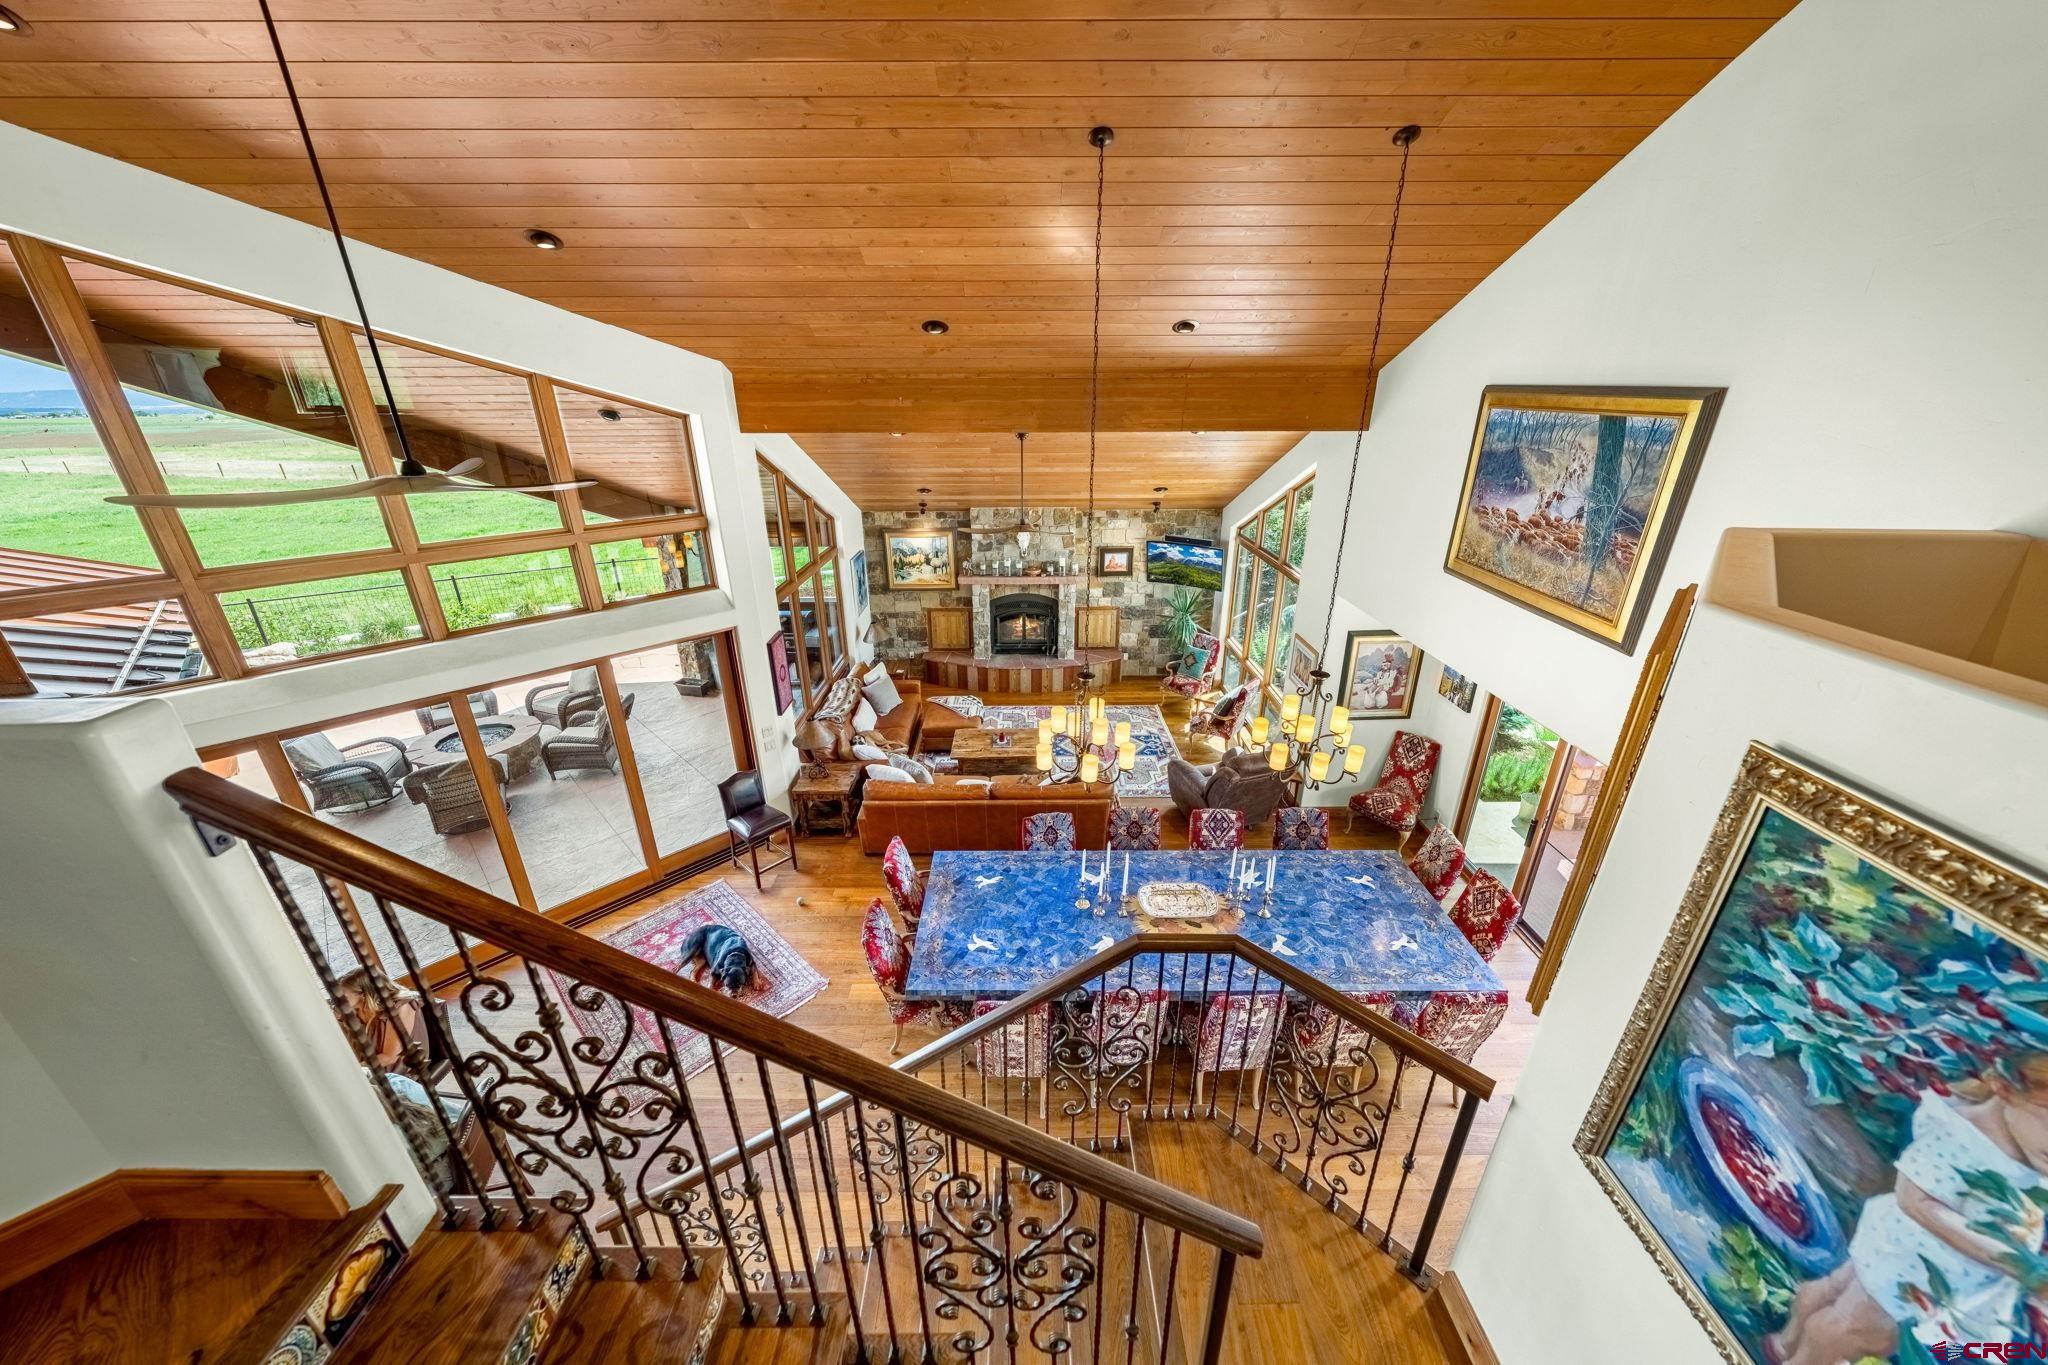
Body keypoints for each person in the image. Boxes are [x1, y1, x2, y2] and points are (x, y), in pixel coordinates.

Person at [1766, 1055, 2048, 1364]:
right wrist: (2021, 1266)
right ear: (2005, 1088)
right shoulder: (1965, 1138)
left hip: (1930, 1267)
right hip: (1912, 1264)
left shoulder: (2031, 1150)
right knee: (1860, 1330)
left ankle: (1785, 1344)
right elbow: (1915, 1200)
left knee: (1836, 1289)